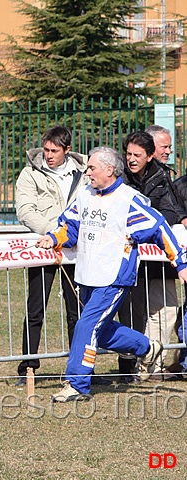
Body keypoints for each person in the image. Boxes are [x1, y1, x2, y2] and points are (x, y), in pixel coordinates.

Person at [36, 145, 187, 402]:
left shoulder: (130, 200)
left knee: (86, 325)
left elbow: (161, 229)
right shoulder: (84, 194)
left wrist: (181, 264)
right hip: (87, 274)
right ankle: (147, 348)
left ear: (109, 170)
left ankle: (77, 383)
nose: (88, 173)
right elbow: (69, 226)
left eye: (92, 168)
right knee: (100, 330)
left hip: (114, 277)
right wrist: (53, 238)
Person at [14, 126, 86, 387]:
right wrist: (55, 233)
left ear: (67, 150)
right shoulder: (30, 173)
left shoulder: (83, 173)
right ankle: (28, 367)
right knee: (35, 308)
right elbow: (25, 210)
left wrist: (71, 235)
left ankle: (77, 366)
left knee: (76, 310)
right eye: (45, 149)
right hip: (44, 247)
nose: (48, 155)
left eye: (54, 150)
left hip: (76, 251)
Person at [119, 131, 186, 381]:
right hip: (126, 260)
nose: (132, 159)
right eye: (129, 154)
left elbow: (172, 210)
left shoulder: (161, 176)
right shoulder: (118, 176)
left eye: (137, 155)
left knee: (166, 309)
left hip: (159, 259)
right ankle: (127, 367)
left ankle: (152, 366)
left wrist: (150, 224)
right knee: (129, 315)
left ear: (148, 156)